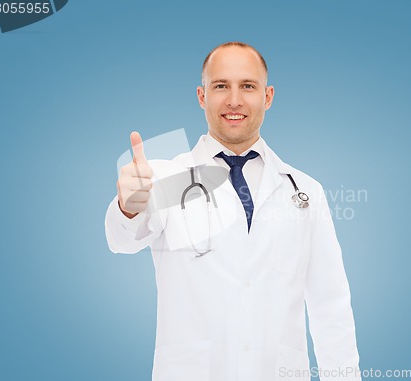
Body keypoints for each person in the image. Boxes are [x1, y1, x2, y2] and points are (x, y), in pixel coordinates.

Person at [105, 42, 360, 381]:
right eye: (221, 86)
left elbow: (331, 306)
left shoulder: (305, 192)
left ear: (268, 97)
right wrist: (128, 205)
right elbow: (122, 239)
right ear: (202, 96)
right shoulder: (167, 178)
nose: (234, 100)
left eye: (248, 86)